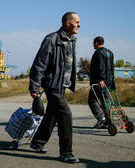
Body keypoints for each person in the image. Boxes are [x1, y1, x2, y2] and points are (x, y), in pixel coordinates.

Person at [29, 12, 80, 163]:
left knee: (51, 114)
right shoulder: (51, 39)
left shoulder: (72, 40)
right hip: (52, 85)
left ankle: (37, 142)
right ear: (67, 23)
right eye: (77, 22)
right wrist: (34, 87)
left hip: (62, 85)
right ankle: (66, 152)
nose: (79, 25)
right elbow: (39, 64)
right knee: (65, 115)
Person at [88, 36, 115, 128]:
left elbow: (101, 66)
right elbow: (111, 68)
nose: (93, 45)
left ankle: (101, 118)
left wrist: (100, 79)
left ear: (96, 43)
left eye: (93, 43)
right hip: (109, 81)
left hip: (99, 82)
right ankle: (109, 121)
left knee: (92, 100)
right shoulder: (109, 52)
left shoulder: (98, 53)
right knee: (106, 101)